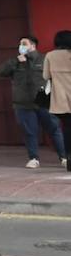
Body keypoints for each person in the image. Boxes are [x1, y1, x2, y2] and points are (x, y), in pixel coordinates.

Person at [0, 35, 67, 168]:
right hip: (23, 104)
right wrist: (17, 62)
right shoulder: (15, 61)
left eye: (24, 43)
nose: (21, 46)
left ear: (33, 46)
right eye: (20, 44)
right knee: (29, 132)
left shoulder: (44, 59)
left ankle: (64, 157)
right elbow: (1, 72)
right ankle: (33, 158)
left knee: (54, 130)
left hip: (44, 102)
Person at [43, 31, 71, 172]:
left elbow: (46, 75)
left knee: (66, 129)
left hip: (61, 99)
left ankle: (69, 158)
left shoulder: (50, 56)